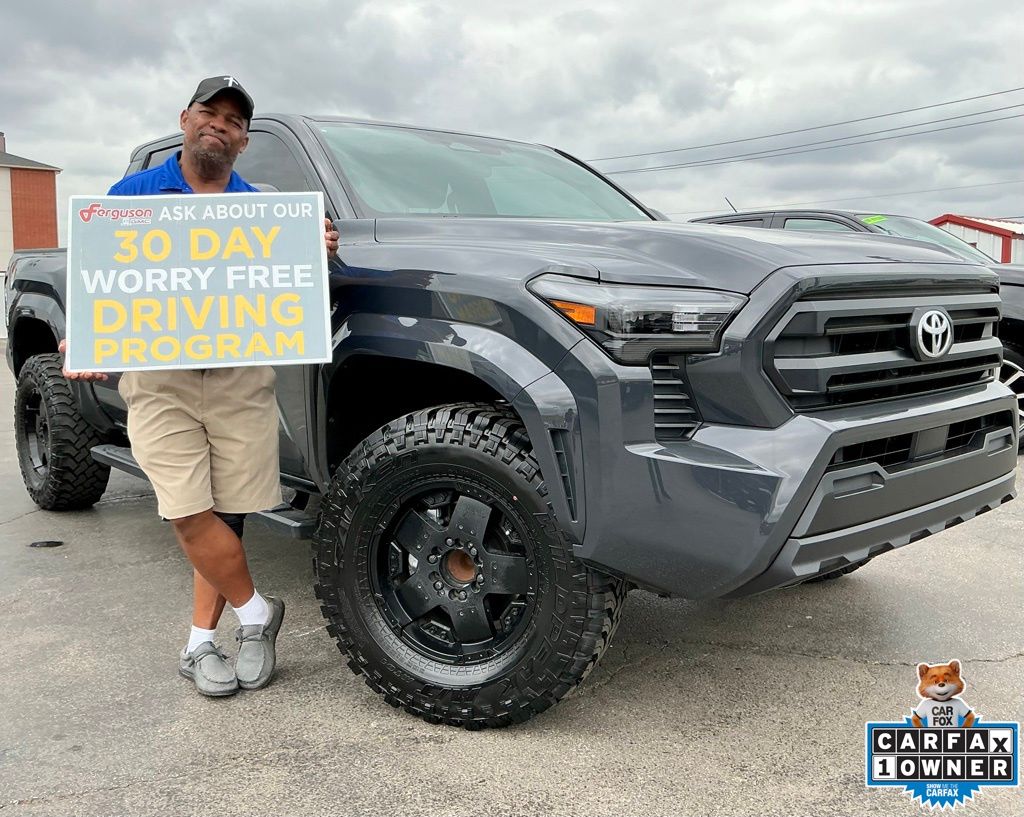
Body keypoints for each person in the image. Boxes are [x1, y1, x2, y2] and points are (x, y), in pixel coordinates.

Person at [62, 76, 340, 697]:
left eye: (234, 120)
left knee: (228, 515)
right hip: (160, 377)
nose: (220, 124)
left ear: (244, 140)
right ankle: (257, 614)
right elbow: (104, 279)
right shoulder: (132, 195)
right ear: (185, 119)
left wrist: (313, 248)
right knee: (186, 510)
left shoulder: (263, 206)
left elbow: (285, 283)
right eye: (209, 113)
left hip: (239, 376)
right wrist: (83, 334)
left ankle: (198, 644)